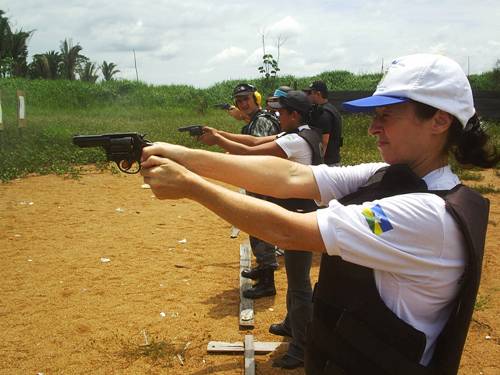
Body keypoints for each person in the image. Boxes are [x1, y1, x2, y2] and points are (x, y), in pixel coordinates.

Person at [140, 54, 498, 374]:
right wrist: (179, 154)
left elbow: (289, 232)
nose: (374, 127)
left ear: (439, 120)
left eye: (387, 115)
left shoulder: (427, 214)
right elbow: (293, 176)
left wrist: (192, 186)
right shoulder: (393, 176)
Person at [199, 90, 323, 369]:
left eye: (282, 112)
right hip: (298, 212)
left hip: (298, 215)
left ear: (294, 114)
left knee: (300, 284)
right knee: (296, 278)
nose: (277, 116)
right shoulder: (305, 134)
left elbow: (250, 153)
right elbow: (254, 140)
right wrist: (222, 133)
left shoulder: (295, 141)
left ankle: (303, 347)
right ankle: (293, 325)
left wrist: (217, 140)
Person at [220, 83, 281, 299]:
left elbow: (254, 151)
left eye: (246, 99)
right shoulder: (257, 119)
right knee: (255, 226)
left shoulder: (262, 121)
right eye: (239, 100)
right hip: (258, 181)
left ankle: (267, 280)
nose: (243, 103)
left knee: (261, 227)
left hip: (263, 183)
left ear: (256, 98)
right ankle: (262, 270)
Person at [304, 80, 343, 165]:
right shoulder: (331, 108)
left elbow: (324, 141)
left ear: (318, 94)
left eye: (310, 93)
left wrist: (319, 164)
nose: (307, 96)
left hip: (328, 164)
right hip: (333, 160)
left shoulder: (324, 113)